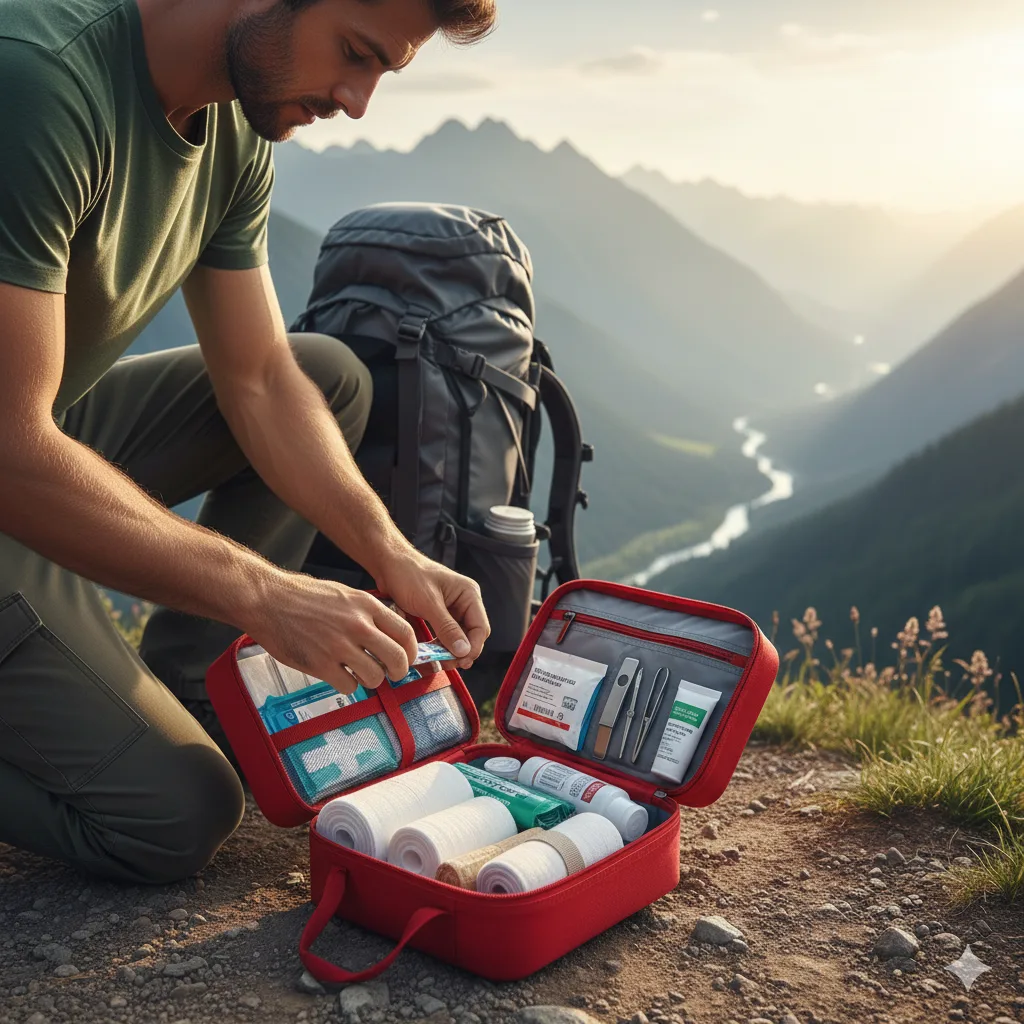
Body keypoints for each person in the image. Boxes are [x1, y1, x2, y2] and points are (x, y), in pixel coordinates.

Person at [0, 0, 497, 884]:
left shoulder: (230, 130)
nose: (356, 101)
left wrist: (390, 555)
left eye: (382, 71)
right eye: (354, 54)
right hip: (11, 453)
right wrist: (267, 597)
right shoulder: (37, 84)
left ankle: (194, 687)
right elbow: (8, 451)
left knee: (326, 375)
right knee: (176, 814)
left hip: (34, 428)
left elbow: (261, 377)